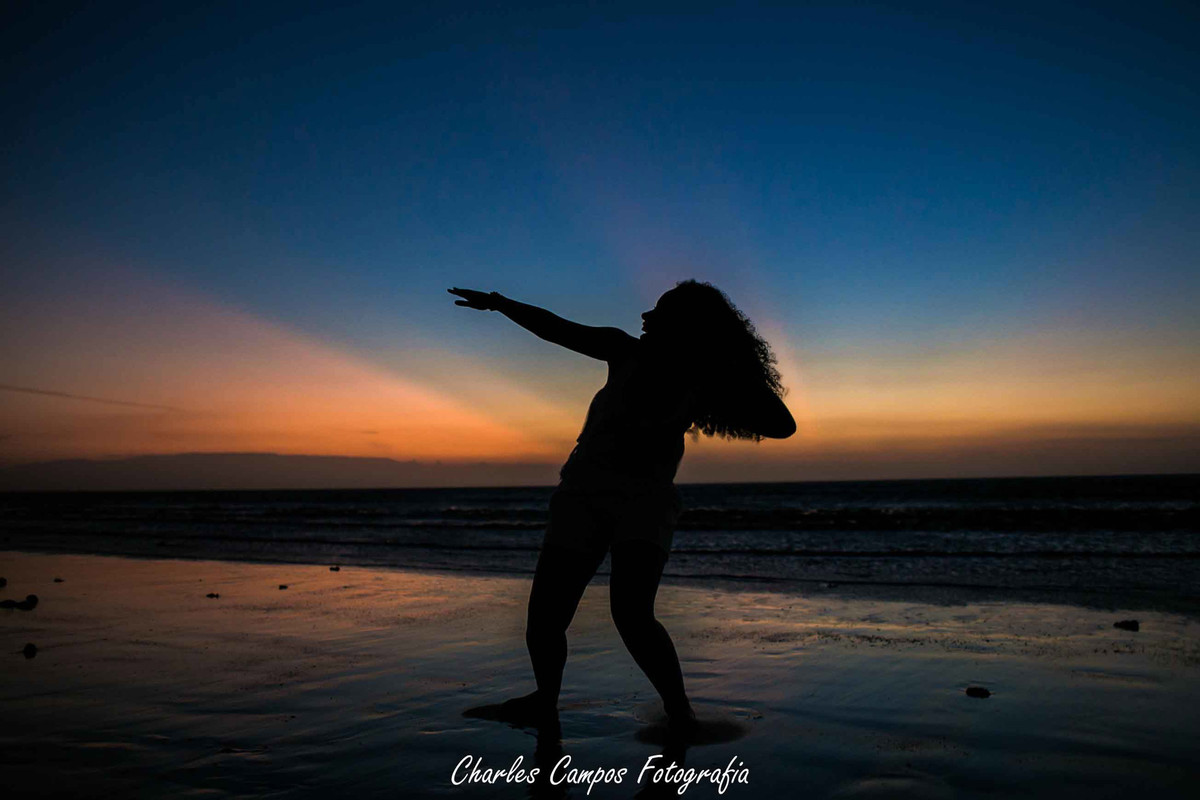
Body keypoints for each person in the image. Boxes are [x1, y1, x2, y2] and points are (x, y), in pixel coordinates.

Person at [449, 281, 795, 734]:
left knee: (631, 614)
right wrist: (500, 304)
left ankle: (679, 711)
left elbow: (781, 426)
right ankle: (544, 700)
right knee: (545, 617)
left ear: (689, 327)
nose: (647, 317)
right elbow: (556, 330)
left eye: (661, 312)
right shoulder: (622, 349)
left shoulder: (701, 380)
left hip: (645, 504)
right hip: (583, 496)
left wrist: (724, 364)